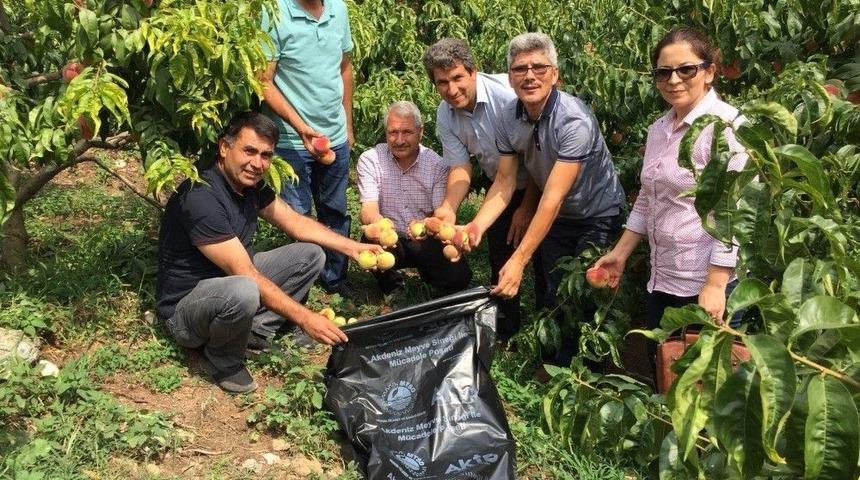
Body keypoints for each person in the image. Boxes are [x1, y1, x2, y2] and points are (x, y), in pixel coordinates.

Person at [156, 112, 380, 394]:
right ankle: (223, 357)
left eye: (265, 155)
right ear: (225, 148)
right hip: (187, 310)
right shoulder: (201, 196)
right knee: (245, 289)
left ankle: (254, 331)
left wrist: (354, 248)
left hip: (230, 281)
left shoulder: (247, 184)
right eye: (249, 151)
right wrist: (306, 318)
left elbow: (295, 223)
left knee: (310, 255)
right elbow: (245, 274)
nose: (257, 163)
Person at [464, 33, 625, 363]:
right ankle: (557, 367)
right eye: (520, 68)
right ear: (509, 77)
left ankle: (592, 372)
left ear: (555, 73)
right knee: (554, 291)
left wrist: (519, 259)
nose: (529, 75)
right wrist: (477, 225)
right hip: (559, 217)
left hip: (596, 213)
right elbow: (506, 181)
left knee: (584, 290)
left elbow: (553, 196)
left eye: (539, 66)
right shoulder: (510, 117)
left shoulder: (573, 120)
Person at [593, 27, 747, 364]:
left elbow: (734, 211)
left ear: (709, 71)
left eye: (686, 69)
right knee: (665, 371)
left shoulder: (727, 127)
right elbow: (648, 199)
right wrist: (620, 253)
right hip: (663, 277)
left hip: (704, 283)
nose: (673, 79)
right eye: (663, 72)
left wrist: (716, 284)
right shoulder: (659, 129)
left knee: (706, 392)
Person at [422, 38, 538, 342]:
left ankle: (545, 329)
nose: (451, 89)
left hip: (541, 181)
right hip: (500, 187)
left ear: (474, 72)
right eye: (442, 82)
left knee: (542, 256)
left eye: (458, 77)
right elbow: (461, 168)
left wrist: (527, 206)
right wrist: (448, 207)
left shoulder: (508, 96)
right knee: (500, 253)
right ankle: (506, 329)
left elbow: (543, 156)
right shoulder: (446, 114)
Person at [260, 0, 355, 295]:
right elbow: (263, 81)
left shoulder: (339, 9)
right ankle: (302, 284)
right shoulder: (274, 11)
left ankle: (335, 280)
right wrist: (300, 126)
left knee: (335, 210)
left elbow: (345, 68)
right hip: (291, 138)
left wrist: (348, 125)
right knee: (297, 215)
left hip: (334, 134)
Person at [356, 101, 472, 295]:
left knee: (459, 277)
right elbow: (368, 210)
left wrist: (425, 224)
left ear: (421, 131)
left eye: (407, 132)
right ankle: (392, 285)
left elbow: (439, 214)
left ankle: (430, 275)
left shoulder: (437, 165)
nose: (399, 140)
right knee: (369, 240)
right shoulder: (371, 159)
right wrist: (379, 224)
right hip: (390, 240)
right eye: (393, 132)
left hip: (423, 240)